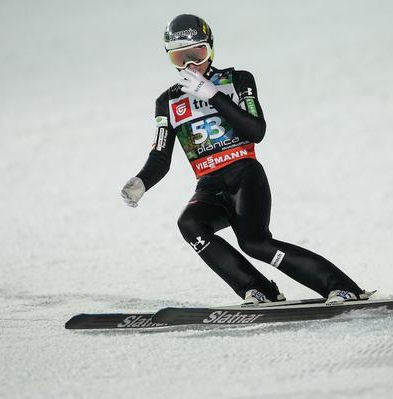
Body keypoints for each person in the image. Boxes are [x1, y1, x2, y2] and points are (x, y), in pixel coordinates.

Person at [121, 14, 370, 305]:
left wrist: (213, 95)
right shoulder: (168, 101)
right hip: (209, 185)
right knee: (189, 223)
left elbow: (256, 130)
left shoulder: (237, 80)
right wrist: (141, 182)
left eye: (197, 54)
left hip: (244, 175)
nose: (191, 66)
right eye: (180, 58)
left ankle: (342, 287)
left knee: (255, 243)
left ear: (210, 49)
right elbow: (160, 157)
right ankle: (259, 289)